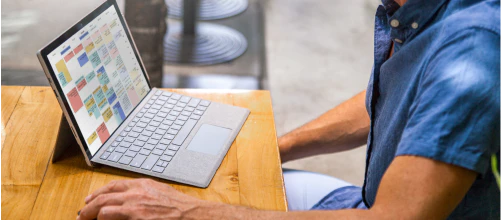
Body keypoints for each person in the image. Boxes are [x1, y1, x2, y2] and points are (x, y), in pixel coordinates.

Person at [77, 0, 501, 219]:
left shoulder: (468, 53)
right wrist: (269, 151)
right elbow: (383, 101)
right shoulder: (413, 12)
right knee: (222, 183)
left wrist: (192, 212)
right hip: (363, 204)